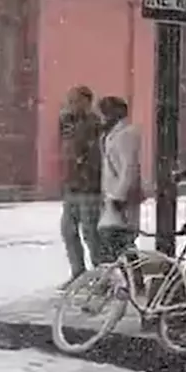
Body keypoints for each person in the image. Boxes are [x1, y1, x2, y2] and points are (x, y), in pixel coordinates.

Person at [59, 85, 103, 286]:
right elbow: (67, 149)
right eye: (70, 101)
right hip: (72, 185)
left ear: (87, 101)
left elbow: (93, 154)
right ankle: (78, 271)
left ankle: (100, 274)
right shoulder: (68, 123)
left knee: (90, 233)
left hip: (89, 187)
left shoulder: (94, 124)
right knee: (68, 230)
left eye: (75, 100)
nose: (71, 105)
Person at [96, 96, 142, 262]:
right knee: (115, 242)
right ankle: (126, 282)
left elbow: (128, 167)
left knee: (119, 240)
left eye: (103, 113)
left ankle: (131, 283)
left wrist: (119, 196)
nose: (101, 118)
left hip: (120, 199)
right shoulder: (110, 135)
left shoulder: (125, 135)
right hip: (112, 196)